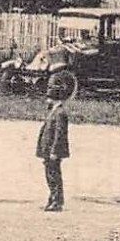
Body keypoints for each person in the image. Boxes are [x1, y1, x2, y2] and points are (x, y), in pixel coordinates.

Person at [37, 81, 71, 212]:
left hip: (53, 151)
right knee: (50, 175)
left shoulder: (60, 113)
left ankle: (57, 201)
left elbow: (59, 134)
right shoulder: (55, 111)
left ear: (54, 98)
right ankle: (53, 199)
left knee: (54, 175)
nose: (46, 101)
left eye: (48, 98)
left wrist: (55, 151)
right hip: (49, 150)